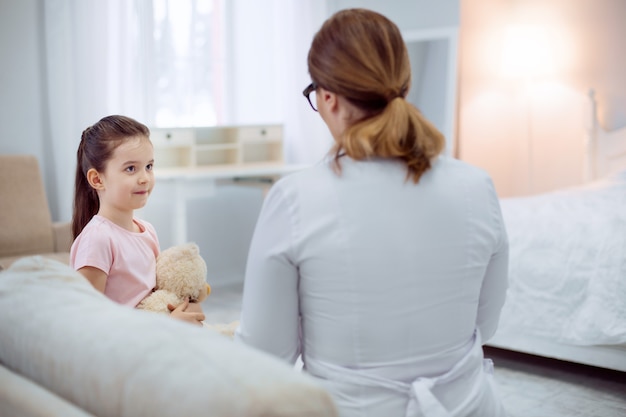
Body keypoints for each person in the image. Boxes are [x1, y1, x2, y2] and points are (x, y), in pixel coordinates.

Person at [234, 8, 508, 417]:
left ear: (328, 98)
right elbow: (484, 325)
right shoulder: (477, 186)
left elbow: (265, 356)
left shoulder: (294, 199)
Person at [70, 115, 205, 326]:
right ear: (97, 179)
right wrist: (168, 325)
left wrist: (184, 309)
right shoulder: (97, 240)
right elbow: (88, 321)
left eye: (149, 166)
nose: (144, 178)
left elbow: (155, 295)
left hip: (154, 336)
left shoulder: (147, 230)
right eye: (131, 168)